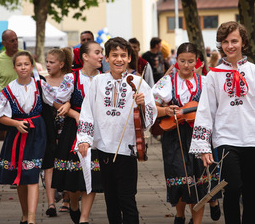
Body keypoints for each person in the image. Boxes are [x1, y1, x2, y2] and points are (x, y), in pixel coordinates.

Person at [76, 37, 157, 224]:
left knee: (127, 198)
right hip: (104, 147)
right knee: (110, 199)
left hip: (127, 149)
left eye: (123, 55)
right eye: (114, 55)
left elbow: (149, 118)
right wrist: (85, 138)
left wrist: (143, 104)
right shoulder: (97, 82)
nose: (118, 59)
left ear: (129, 58)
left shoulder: (138, 82)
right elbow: (87, 112)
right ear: (106, 58)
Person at [189, 21, 255, 224]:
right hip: (226, 139)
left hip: (252, 138)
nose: (230, 46)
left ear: (243, 42)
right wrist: (203, 147)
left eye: (234, 41)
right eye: (225, 42)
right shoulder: (213, 76)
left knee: (252, 193)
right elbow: (205, 111)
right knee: (232, 187)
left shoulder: (253, 71)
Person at [152, 42, 219, 224]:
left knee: (199, 179)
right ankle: (180, 215)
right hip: (175, 135)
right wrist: (166, 111)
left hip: (199, 134)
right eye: (182, 61)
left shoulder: (205, 82)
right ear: (176, 61)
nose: (186, 65)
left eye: (190, 61)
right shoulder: (167, 81)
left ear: (197, 61)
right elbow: (150, 106)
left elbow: (216, 108)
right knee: (180, 179)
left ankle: (197, 220)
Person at [0, 51, 54, 224]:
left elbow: (55, 100)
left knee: (32, 172)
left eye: (26, 64)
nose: (23, 67)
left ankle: (32, 218)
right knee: (21, 175)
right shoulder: (9, 89)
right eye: (19, 65)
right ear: (14, 68)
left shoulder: (40, 85)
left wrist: (67, 106)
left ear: (32, 66)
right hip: (16, 134)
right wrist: (16, 124)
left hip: (38, 133)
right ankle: (25, 213)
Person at [52, 41, 104, 224]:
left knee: (93, 173)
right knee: (74, 175)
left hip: (97, 130)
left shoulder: (104, 78)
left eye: (101, 52)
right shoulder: (71, 78)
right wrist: (74, 113)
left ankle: (84, 218)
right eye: (97, 52)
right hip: (74, 129)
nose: (101, 56)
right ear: (85, 56)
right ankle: (74, 204)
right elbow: (57, 101)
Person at [41, 48, 73, 217]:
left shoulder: (69, 80)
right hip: (48, 128)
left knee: (66, 161)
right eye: (46, 61)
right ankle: (51, 203)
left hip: (66, 126)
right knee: (49, 165)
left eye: (51, 62)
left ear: (61, 64)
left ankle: (67, 199)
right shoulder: (41, 81)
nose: (48, 65)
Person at [0, 30, 19, 126]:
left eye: (16, 39)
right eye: (12, 41)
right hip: (4, 104)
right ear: (3, 43)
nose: (16, 43)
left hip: (23, 103)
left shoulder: (25, 57)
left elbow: (35, 80)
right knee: (8, 135)